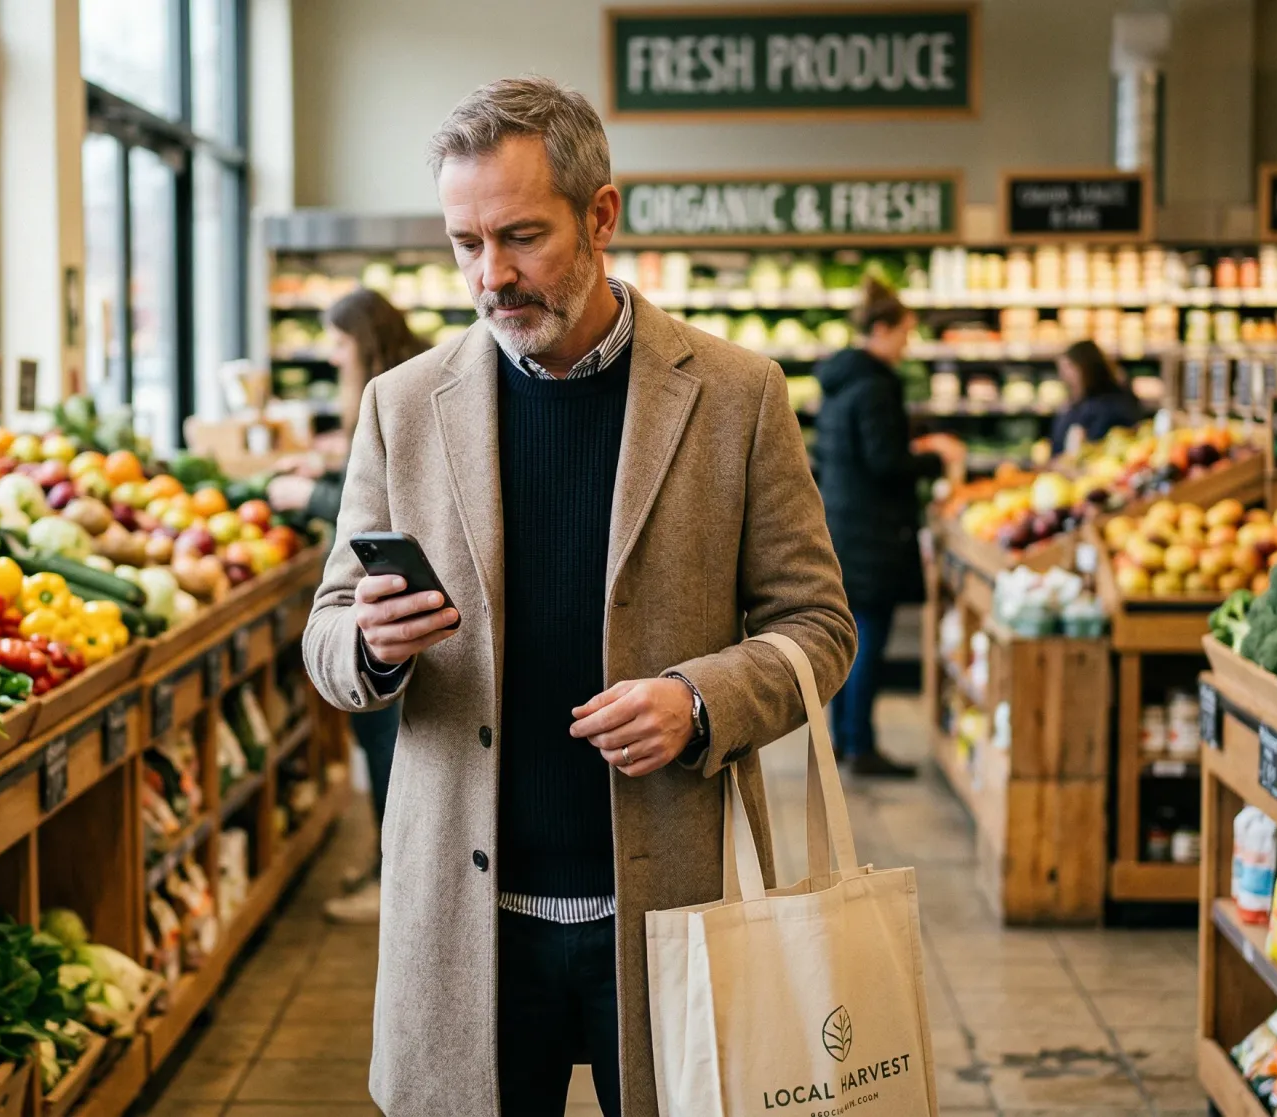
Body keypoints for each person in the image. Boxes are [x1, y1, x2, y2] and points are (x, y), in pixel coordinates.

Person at [301, 76, 855, 1117]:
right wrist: (370, 645)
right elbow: (326, 635)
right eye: (464, 243)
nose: (489, 276)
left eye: (520, 236)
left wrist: (699, 701)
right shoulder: (403, 406)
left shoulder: (735, 396)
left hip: (664, 911)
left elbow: (817, 629)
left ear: (601, 214)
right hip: (465, 929)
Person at [268, 289, 430, 925]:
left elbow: (375, 499)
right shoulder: (395, 383)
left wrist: (308, 489)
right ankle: (392, 869)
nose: (331, 354)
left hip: (396, 595)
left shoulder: (396, 388)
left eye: (338, 341)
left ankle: (397, 879)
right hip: (383, 602)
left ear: (362, 338)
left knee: (390, 742)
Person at [811, 278, 961, 777]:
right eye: (904, 334)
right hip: (873, 532)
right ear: (880, 330)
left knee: (848, 639)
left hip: (844, 525)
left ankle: (845, 739)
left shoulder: (840, 381)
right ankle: (862, 747)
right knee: (867, 638)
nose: (907, 345)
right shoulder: (875, 385)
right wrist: (934, 459)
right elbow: (885, 463)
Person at [1049, 339, 1143, 453]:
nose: (1064, 376)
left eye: (1069, 367)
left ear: (1086, 368)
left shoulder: (1110, 404)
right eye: (1062, 369)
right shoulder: (1075, 404)